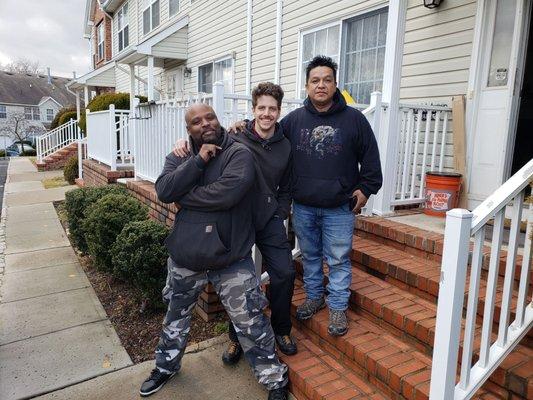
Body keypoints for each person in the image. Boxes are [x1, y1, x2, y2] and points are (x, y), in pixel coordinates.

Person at [139, 103, 289, 400]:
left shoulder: (238, 153)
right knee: (176, 315)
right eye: (197, 121)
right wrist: (195, 164)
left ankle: (274, 378)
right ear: (189, 129)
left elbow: (228, 193)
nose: (205, 123)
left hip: (230, 255)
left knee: (250, 319)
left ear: (218, 120)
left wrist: (186, 195)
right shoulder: (181, 155)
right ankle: (165, 367)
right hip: (187, 254)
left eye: (210, 117)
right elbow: (165, 190)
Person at [231, 56, 382, 337]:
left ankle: (337, 306)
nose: (321, 85)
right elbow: (266, 131)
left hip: (339, 207)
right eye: (315, 80)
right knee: (311, 257)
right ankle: (314, 297)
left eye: (327, 80)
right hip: (303, 207)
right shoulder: (293, 121)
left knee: (338, 259)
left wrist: (365, 190)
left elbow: (372, 163)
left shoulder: (355, 121)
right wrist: (240, 124)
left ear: (336, 84)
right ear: (307, 85)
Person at [174, 82, 298, 364]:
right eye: (262, 108)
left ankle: (281, 330)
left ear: (279, 111)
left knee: (285, 272)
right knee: (241, 284)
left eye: (272, 109)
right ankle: (236, 339)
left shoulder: (285, 146)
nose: (267, 114)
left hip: (267, 220)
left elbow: (287, 187)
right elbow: (200, 145)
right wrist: (182, 143)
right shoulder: (235, 136)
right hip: (236, 220)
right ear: (253, 110)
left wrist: (280, 212)